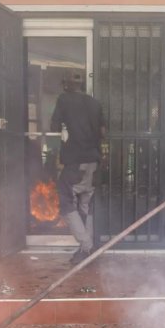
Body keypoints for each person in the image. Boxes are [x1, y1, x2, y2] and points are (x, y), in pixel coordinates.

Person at [50, 70, 106, 264]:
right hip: (94, 162)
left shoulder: (64, 100)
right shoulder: (95, 103)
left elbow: (54, 127)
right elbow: (102, 131)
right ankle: (84, 249)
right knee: (85, 203)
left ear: (67, 85)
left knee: (66, 201)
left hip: (75, 162)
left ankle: (88, 246)